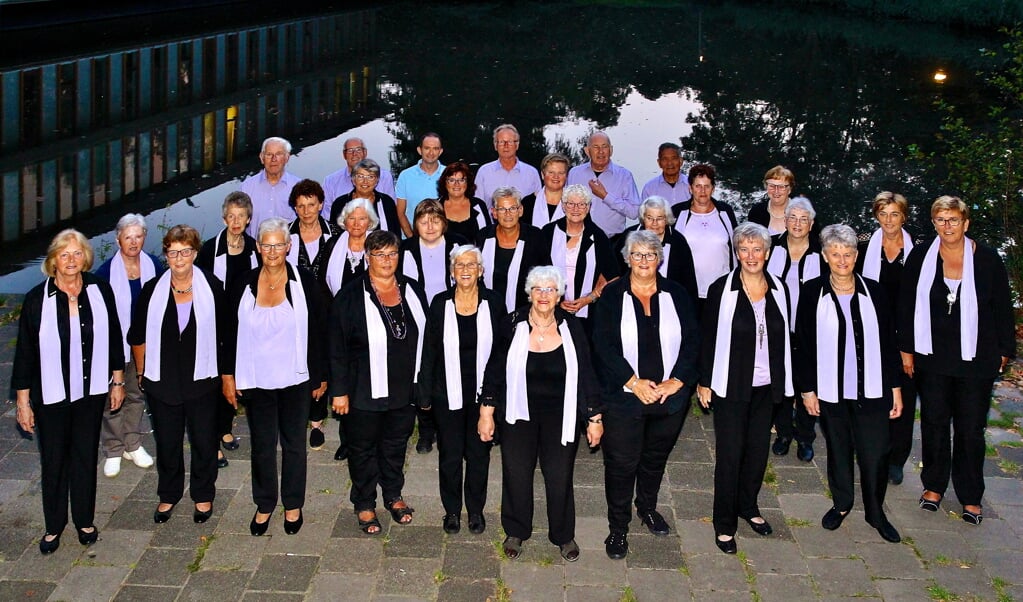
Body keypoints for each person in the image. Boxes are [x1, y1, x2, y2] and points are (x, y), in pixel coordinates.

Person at [899, 196, 1015, 525]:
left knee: (970, 430)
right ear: (933, 223)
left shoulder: (989, 259)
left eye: (953, 220)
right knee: (934, 424)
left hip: (976, 359)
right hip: (931, 357)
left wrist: (1005, 350)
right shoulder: (921, 256)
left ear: (965, 223)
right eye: (940, 220)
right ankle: (933, 487)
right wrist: (906, 348)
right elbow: (906, 305)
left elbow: (1003, 308)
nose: (947, 226)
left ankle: (970, 496)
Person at [478, 266, 603, 563]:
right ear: (529, 293)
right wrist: (486, 410)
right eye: (538, 289)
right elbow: (494, 370)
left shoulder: (573, 327)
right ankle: (516, 530)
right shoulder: (512, 324)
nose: (544, 295)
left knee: (559, 476)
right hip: (518, 415)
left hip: (561, 417)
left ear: (559, 294)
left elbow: (587, 375)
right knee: (516, 473)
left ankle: (562, 535)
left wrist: (595, 418)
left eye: (550, 289)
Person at [13, 229, 125, 554]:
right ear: (53, 261)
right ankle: (54, 526)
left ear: (85, 257)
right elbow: (24, 353)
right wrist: (23, 402)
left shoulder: (99, 290)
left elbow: (114, 336)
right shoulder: (37, 299)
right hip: (51, 395)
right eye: (65, 255)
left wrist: (117, 380)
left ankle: (85, 520)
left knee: (85, 455)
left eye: (77, 254)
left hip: (90, 392)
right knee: (54, 460)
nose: (71, 260)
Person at [592, 230, 699, 560]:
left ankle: (648, 508)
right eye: (636, 255)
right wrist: (633, 381)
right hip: (624, 398)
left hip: (670, 399)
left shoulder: (677, 294)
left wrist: (677, 381)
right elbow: (602, 345)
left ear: (660, 259)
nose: (643, 261)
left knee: (654, 460)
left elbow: (694, 340)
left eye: (649, 255)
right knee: (622, 465)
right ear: (626, 259)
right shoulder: (611, 296)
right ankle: (618, 527)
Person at [795, 224, 903, 543]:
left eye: (848, 253)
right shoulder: (812, 291)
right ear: (825, 257)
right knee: (839, 450)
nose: (842, 259)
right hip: (830, 391)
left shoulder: (875, 291)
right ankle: (842, 504)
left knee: (875, 453)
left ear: (856, 256)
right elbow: (802, 344)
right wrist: (807, 390)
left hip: (872, 389)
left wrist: (895, 387)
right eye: (835, 253)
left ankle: (875, 512)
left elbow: (888, 343)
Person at [221, 217, 328, 536]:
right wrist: (228, 375)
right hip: (257, 380)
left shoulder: (305, 281)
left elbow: (320, 329)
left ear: (288, 246)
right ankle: (265, 502)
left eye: (278, 244)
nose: (272, 250)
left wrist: (320, 374)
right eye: (266, 244)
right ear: (258, 247)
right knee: (263, 445)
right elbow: (229, 331)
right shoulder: (243, 282)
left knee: (295, 444)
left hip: (295, 378)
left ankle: (293, 504)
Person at [697, 222, 793, 555]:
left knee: (756, 454)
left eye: (757, 250)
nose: (751, 256)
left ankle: (748, 507)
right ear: (736, 253)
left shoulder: (780, 288)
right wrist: (705, 380)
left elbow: (786, 339)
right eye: (744, 249)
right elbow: (707, 337)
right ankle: (724, 524)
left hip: (767, 386)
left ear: (767, 253)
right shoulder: (720, 289)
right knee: (730, 455)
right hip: (730, 385)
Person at [329, 230, 429, 535]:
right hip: (363, 390)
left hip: (403, 389)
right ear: (368, 257)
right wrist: (339, 392)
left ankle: (393, 495)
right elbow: (336, 348)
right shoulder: (349, 295)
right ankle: (364, 502)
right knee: (363, 449)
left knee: (396, 446)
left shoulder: (412, 289)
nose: (387, 260)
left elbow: (426, 336)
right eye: (380, 254)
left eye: (392, 254)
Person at [127, 225, 225, 525]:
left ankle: (203, 494)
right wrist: (142, 372)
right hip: (163, 381)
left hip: (203, 380)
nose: (179, 258)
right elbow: (138, 336)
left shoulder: (214, 286)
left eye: (185, 251)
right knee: (168, 443)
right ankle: (168, 494)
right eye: (173, 252)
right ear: (166, 254)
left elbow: (227, 336)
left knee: (204, 441)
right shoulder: (151, 291)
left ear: (195, 253)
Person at [419, 245, 504, 535]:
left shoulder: (494, 302)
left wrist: (494, 398)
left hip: (483, 397)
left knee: (479, 455)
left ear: (481, 271)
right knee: (450, 456)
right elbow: (429, 350)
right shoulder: (439, 303)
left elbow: (501, 353)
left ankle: (476, 510)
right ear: (452, 272)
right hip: (447, 394)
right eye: (459, 265)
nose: (465, 270)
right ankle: (452, 510)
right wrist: (425, 393)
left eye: (471, 265)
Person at [855, 191, 917, 485]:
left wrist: (909, 344)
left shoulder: (919, 252)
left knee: (904, 395)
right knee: (874, 395)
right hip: (873, 332)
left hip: (908, 335)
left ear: (903, 216)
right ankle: (874, 453)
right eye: (883, 214)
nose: (889, 220)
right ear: (876, 216)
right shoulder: (865, 247)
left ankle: (896, 459)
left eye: (894, 214)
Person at [94, 214, 162, 478]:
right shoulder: (104, 273)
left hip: (144, 344)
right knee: (113, 396)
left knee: (136, 393)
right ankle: (113, 448)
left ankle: (132, 442)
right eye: (128, 236)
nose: (134, 242)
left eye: (138, 236)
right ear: (118, 239)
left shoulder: (154, 265)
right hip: (115, 344)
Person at [196, 191, 260, 465]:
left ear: (248, 219)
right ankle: (212, 442)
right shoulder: (210, 249)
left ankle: (224, 429)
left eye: (241, 216)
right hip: (215, 324)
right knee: (215, 381)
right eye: (231, 216)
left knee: (233, 377)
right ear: (224, 218)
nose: (236, 221)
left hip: (244, 326)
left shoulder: (255, 248)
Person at [314, 198, 380, 459]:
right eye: (351, 218)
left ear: (370, 221)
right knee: (344, 382)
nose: (356, 223)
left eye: (362, 218)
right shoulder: (333, 245)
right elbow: (321, 284)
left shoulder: (378, 245)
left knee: (369, 384)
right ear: (344, 221)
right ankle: (347, 440)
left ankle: (371, 440)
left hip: (370, 326)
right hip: (339, 326)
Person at [399, 200, 465, 453]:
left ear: (444, 222)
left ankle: (445, 424)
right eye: (423, 221)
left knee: (448, 371)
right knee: (421, 374)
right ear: (415, 224)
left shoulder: (458, 246)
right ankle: (426, 429)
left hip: (451, 317)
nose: (429, 226)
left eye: (435, 220)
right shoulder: (404, 248)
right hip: (415, 321)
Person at [765, 196, 826, 462]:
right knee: (779, 380)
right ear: (785, 220)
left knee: (806, 381)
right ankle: (783, 433)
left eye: (804, 219)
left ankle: (805, 436)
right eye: (793, 218)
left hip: (810, 329)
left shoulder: (821, 251)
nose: (798, 223)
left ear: (811, 224)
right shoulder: (772, 246)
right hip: (777, 326)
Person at [536, 184, 619, 322]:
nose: (575, 209)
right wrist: (556, 300)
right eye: (570, 204)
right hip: (550, 309)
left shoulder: (598, 236)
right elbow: (536, 272)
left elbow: (612, 276)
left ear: (588, 207)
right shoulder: (548, 232)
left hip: (589, 313)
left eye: (581, 204)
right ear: (563, 206)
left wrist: (588, 299)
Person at [671, 163, 738, 317]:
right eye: (698, 186)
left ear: (713, 188)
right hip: (688, 291)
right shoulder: (677, 212)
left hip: (722, 290)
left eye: (707, 186)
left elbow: (736, 245)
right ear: (690, 188)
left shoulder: (725, 212)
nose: (702, 191)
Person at [613, 196, 698, 301]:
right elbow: (614, 269)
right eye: (649, 218)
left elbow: (689, 281)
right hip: (631, 298)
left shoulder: (678, 242)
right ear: (643, 218)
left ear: (666, 219)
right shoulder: (629, 236)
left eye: (659, 218)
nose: (654, 223)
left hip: (670, 301)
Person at [476, 187, 542, 313]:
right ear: (494, 213)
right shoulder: (483, 236)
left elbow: (545, 275)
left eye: (512, 208)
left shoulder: (535, 237)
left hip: (526, 311)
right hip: (487, 311)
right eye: (502, 209)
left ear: (520, 210)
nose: (508, 214)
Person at [566, 131, 640, 236]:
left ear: (611, 150)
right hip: (579, 239)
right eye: (596, 147)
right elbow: (565, 206)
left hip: (613, 241)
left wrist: (606, 196)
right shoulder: (575, 173)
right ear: (587, 151)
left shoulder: (624, 176)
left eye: (604, 147)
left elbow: (634, 213)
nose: (601, 151)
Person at [239, 136, 301, 238]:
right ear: (261, 158)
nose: (273, 159)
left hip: (288, 250)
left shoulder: (298, 187)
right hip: (255, 249)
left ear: (287, 158)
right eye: (269, 154)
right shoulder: (247, 187)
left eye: (278, 154)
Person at [322, 137, 396, 219]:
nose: (354, 154)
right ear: (344, 155)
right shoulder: (330, 181)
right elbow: (327, 216)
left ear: (365, 152)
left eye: (358, 150)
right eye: (350, 150)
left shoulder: (385, 177)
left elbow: (391, 211)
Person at [474, 124, 542, 209]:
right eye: (502, 142)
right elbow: (477, 206)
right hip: (491, 222)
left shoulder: (531, 173)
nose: (506, 146)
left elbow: (539, 206)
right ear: (495, 145)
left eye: (510, 141)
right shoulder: (484, 172)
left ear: (517, 145)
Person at [328, 159, 402, 236]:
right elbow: (334, 235)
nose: (365, 181)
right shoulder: (339, 204)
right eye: (360, 176)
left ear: (377, 180)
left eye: (370, 177)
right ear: (353, 180)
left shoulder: (387, 202)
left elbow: (395, 233)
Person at [286, 179, 339, 281]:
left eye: (311, 205)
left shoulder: (336, 234)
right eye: (301, 206)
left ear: (320, 205)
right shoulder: (284, 235)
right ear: (295, 208)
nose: (306, 211)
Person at [395, 132, 445, 237]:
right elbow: (400, 212)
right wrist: (412, 239)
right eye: (427, 148)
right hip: (411, 238)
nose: (431, 152)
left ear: (440, 151)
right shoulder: (405, 176)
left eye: (435, 148)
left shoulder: (449, 175)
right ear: (419, 150)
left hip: (442, 239)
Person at [437, 161, 492, 243]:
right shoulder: (435, 207)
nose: (456, 184)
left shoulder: (479, 206)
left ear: (468, 183)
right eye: (451, 180)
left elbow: (488, 236)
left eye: (461, 180)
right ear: (445, 183)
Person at [521, 153, 569, 229]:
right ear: (542, 175)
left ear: (566, 176)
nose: (556, 177)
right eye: (551, 172)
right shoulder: (528, 203)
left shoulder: (576, 204)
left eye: (561, 173)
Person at [747, 165, 796, 235]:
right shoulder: (756, 212)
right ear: (766, 187)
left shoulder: (804, 212)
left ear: (790, 189)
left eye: (781, 187)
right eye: (771, 186)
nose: (776, 191)